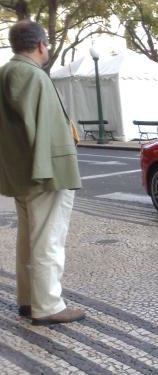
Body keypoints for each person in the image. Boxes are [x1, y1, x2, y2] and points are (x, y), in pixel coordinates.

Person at [0, 20, 85, 325]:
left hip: (23, 173)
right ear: (40, 45)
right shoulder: (32, 75)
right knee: (48, 239)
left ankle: (28, 299)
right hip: (45, 174)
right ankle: (48, 305)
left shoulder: (8, 72)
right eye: (46, 43)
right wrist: (49, 173)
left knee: (29, 239)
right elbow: (44, 129)